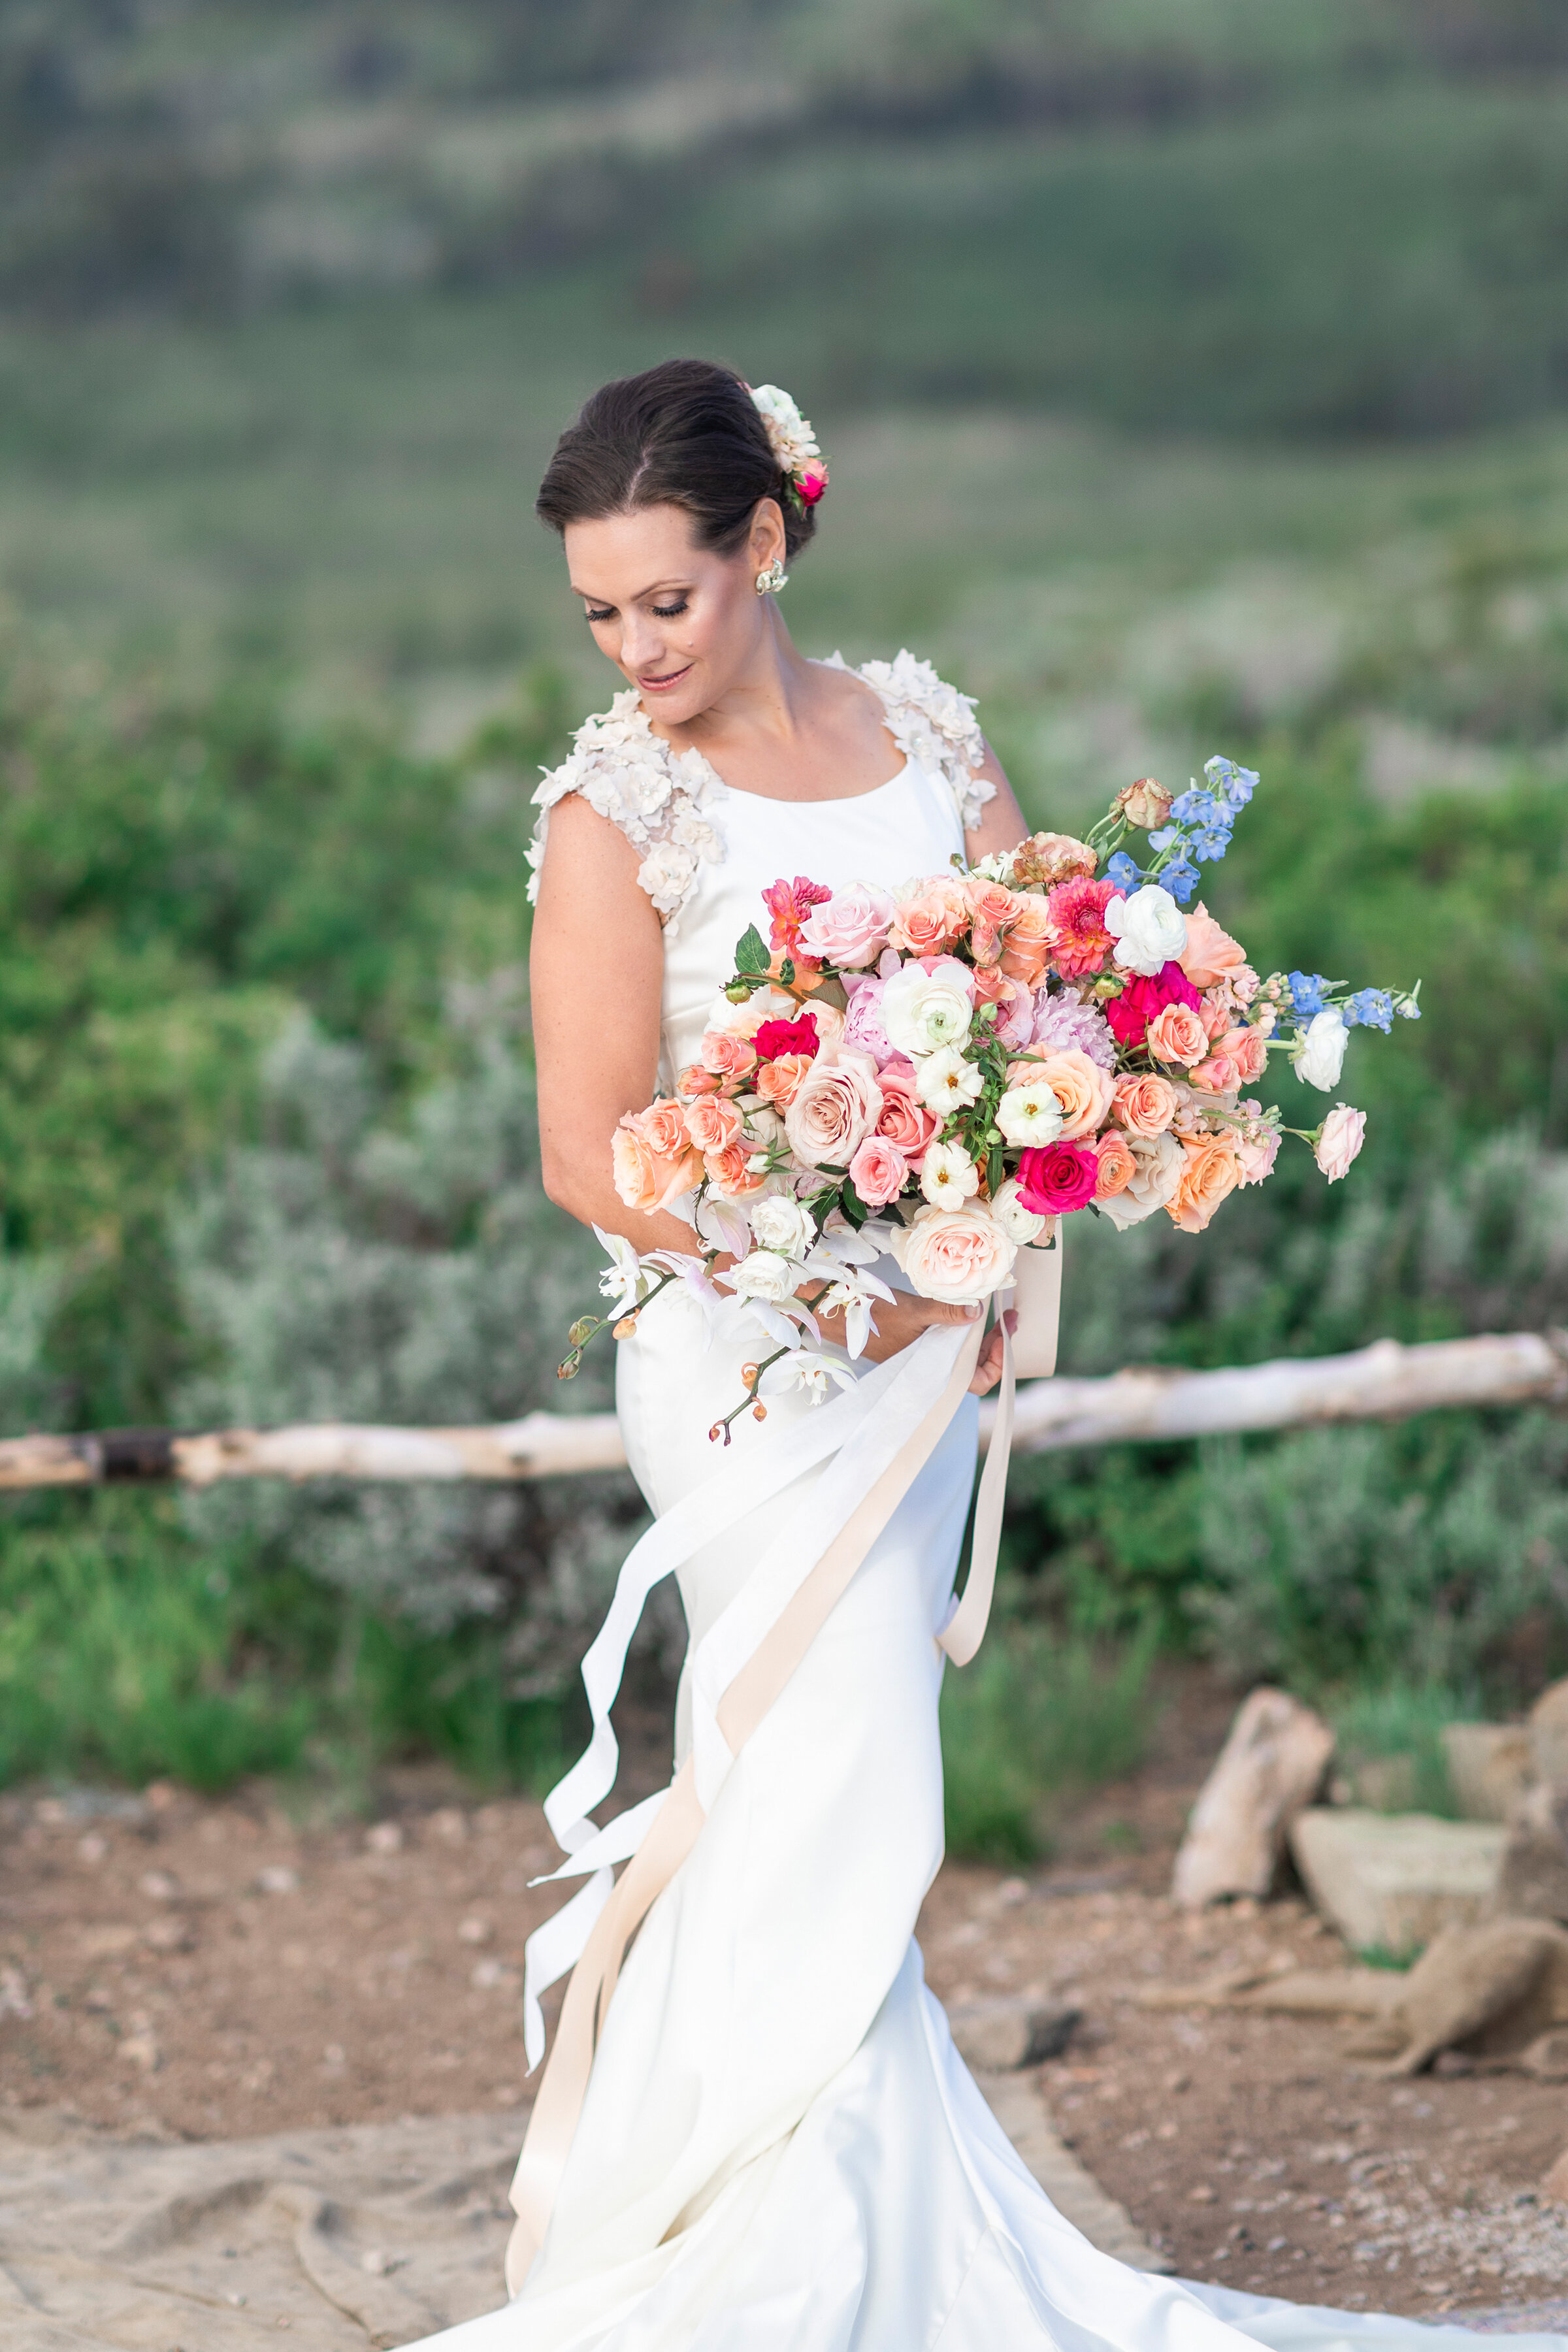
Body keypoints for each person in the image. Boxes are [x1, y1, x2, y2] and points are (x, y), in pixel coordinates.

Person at [406, 363, 1561, 2351]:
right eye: (597, 613)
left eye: (663, 601)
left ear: (764, 542)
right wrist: (822, 1273)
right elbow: (589, 1145)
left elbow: (1054, 985)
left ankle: (827, 2219)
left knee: (834, 1785)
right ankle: (775, 2264)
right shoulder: (617, 811)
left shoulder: (924, 733)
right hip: (753, 1366)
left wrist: (1048, 1156)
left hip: (941, 1340)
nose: (633, 650)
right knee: (834, 1767)